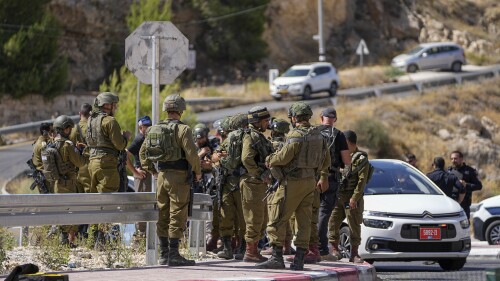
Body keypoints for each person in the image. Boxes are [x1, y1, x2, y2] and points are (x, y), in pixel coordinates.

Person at [256, 102, 330, 270]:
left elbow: (283, 157)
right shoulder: (319, 135)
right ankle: (299, 260)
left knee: (277, 217)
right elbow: (326, 161)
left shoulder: (295, 135)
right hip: (310, 182)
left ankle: (276, 258)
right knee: (304, 221)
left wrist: (270, 160)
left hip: (292, 183)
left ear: (295, 117)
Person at [140, 94, 201, 266]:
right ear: (181, 110)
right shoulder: (183, 130)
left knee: (163, 212)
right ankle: (174, 254)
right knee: (178, 212)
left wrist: (153, 171)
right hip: (179, 176)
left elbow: (142, 154)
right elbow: (192, 155)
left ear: (166, 109)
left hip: (162, 176)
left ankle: (164, 254)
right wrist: (197, 171)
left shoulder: (153, 129)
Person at [326, 130, 369, 263]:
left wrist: (354, 198)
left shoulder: (360, 159)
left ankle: (354, 254)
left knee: (353, 225)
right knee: (333, 222)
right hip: (339, 195)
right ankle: (334, 250)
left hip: (351, 198)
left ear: (349, 143)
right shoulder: (340, 156)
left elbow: (362, 182)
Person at [240, 106, 274, 262]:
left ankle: (254, 250)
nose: (268, 123)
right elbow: (246, 158)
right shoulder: (251, 136)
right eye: (265, 121)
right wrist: (260, 174)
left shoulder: (258, 136)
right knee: (254, 218)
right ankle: (250, 252)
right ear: (257, 121)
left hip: (258, 183)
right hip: (252, 182)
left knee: (261, 218)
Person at [316, 108, 351, 259]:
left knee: (309, 213)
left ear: (321, 118)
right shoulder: (339, 135)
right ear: (335, 119)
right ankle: (322, 250)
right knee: (324, 214)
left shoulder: (312, 132)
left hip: (311, 177)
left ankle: (306, 248)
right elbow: (347, 161)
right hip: (331, 178)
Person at [216, 114, 248, 260]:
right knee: (226, 216)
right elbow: (215, 157)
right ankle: (227, 247)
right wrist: (221, 156)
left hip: (242, 182)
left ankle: (243, 247)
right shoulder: (228, 140)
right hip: (228, 182)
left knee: (243, 218)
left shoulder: (249, 139)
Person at [52, 115, 87, 247]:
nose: (71, 131)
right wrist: (82, 151)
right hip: (69, 184)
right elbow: (80, 163)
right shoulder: (67, 145)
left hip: (57, 184)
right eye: (70, 128)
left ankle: (63, 239)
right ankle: (68, 241)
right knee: (71, 211)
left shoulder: (52, 143)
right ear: (65, 129)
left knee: (61, 211)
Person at [86, 92, 131, 193]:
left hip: (92, 163)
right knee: (109, 199)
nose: (115, 108)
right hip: (106, 165)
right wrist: (126, 137)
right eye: (114, 105)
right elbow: (120, 145)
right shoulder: (110, 121)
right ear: (106, 105)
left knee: (96, 199)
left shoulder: (90, 120)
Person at [193, 123, 219, 251]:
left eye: (202, 138)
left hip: (211, 181)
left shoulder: (213, 143)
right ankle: (196, 238)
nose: (200, 140)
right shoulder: (193, 146)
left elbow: (216, 160)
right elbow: (190, 161)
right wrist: (200, 155)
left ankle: (209, 238)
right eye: (198, 138)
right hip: (197, 182)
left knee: (210, 209)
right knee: (195, 209)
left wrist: (209, 163)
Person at [125, 116, 152, 235]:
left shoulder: (148, 138)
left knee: (146, 204)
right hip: (142, 175)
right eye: (145, 126)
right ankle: (140, 234)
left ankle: (143, 233)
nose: (147, 128)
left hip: (147, 174)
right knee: (142, 204)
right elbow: (125, 155)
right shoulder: (139, 139)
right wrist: (135, 172)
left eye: (148, 125)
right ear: (140, 127)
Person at [447, 150, 483, 220]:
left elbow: (479, 186)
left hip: (464, 204)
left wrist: (466, 185)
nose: (453, 161)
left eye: (455, 158)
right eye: (451, 159)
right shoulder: (449, 171)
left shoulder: (470, 171)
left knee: (465, 226)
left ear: (461, 159)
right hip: (451, 203)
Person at [69, 103, 93, 193]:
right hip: (92, 164)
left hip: (79, 166)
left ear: (80, 114)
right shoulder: (94, 128)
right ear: (91, 114)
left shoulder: (74, 129)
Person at [32, 122, 55, 193]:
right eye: (51, 131)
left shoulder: (39, 141)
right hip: (45, 177)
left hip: (43, 175)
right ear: (45, 132)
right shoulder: (42, 145)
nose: (53, 133)